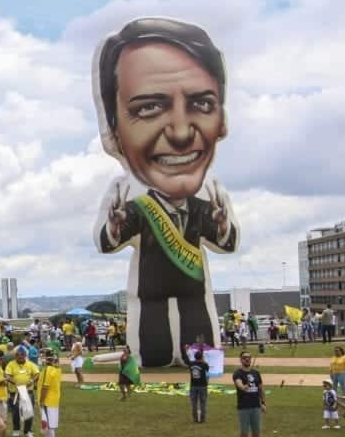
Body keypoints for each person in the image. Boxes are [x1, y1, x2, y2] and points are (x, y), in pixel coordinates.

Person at [93, 18, 238, 367]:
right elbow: (108, 242)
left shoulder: (207, 197)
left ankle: (198, 361)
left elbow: (226, 241)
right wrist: (114, 227)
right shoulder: (131, 198)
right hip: (150, 287)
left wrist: (222, 226)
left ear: (221, 122)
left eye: (202, 104)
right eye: (148, 108)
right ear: (113, 130)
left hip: (193, 286)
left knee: (199, 342)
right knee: (153, 351)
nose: (180, 133)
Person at [233, 351, 268, 437]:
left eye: (249, 357)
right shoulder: (238, 373)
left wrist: (263, 403)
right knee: (244, 431)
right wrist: (243, 387)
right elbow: (238, 383)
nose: (247, 359)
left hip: (256, 406)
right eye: (244, 357)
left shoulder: (256, 373)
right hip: (243, 407)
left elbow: (261, 389)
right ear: (241, 359)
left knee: (256, 431)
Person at [5, 346, 39, 437]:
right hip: (15, 392)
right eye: (18, 355)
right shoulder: (11, 364)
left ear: (25, 355)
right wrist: (15, 382)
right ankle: (16, 429)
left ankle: (28, 431)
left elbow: (37, 373)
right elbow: (7, 375)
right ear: (15, 356)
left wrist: (32, 380)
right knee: (15, 411)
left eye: (22, 355)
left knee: (28, 411)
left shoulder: (30, 364)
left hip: (28, 391)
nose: (20, 357)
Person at [36, 350, 62, 437]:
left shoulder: (48, 369)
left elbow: (45, 387)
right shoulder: (57, 369)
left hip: (47, 400)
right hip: (53, 399)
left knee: (49, 424)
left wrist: (42, 400)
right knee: (46, 423)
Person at [184, 347, 209, 423]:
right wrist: (203, 359)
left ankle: (195, 418)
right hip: (202, 385)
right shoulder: (204, 364)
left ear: (195, 357)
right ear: (201, 357)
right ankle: (202, 419)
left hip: (193, 385)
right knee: (203, 403)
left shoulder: (191, 364)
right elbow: (207, 369)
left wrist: (186, 351)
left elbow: (187, 361)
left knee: (194, 403)